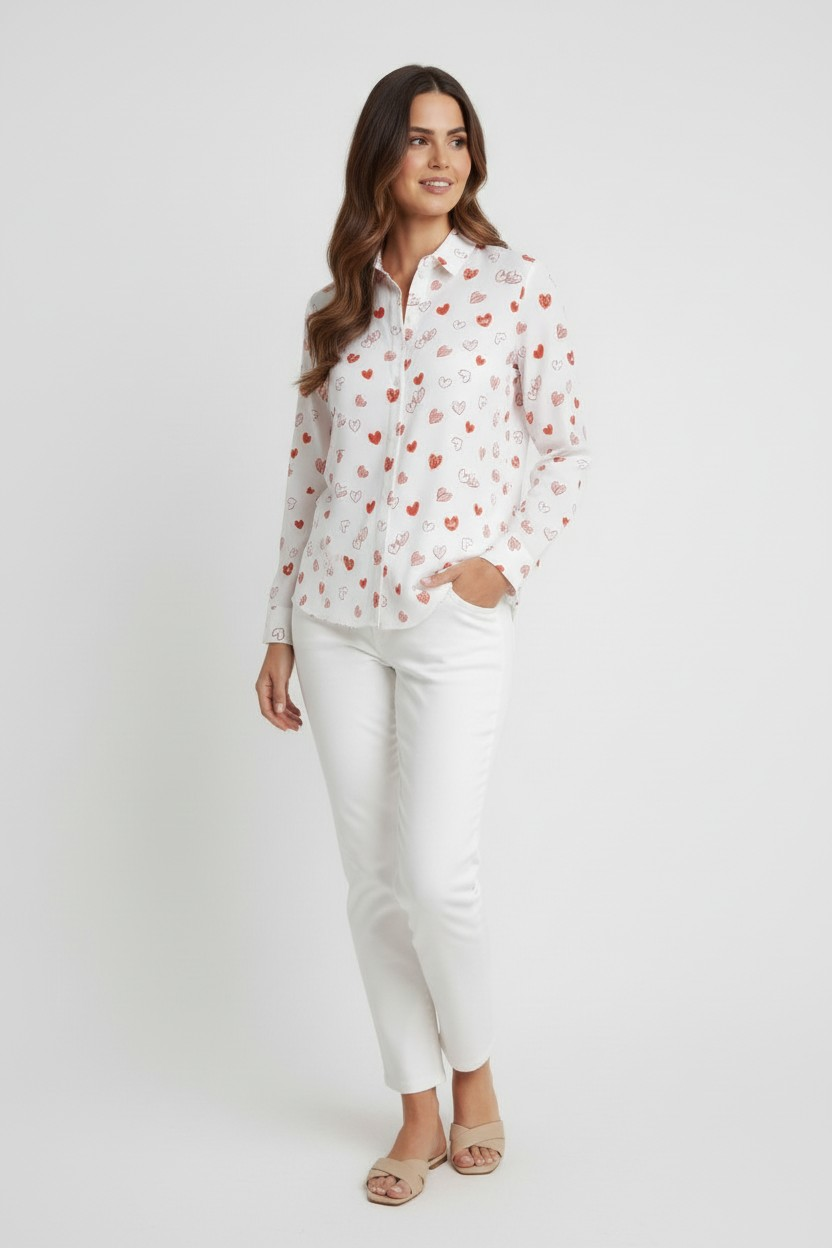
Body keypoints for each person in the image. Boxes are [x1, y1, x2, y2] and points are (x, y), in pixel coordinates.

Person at [255, 63, 590, 1206]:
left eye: (456, 138)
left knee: (438, 874)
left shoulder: (511, 286)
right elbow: (305, 477)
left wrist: (506, 566)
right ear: (380, 158)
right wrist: (278, 629)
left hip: (451, 620)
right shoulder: (336, 303)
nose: (442, 158)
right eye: (417, 139)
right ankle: (413, 1109)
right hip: (333, 619)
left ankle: (474, 1076)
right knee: (372, 884)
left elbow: (565, 447)